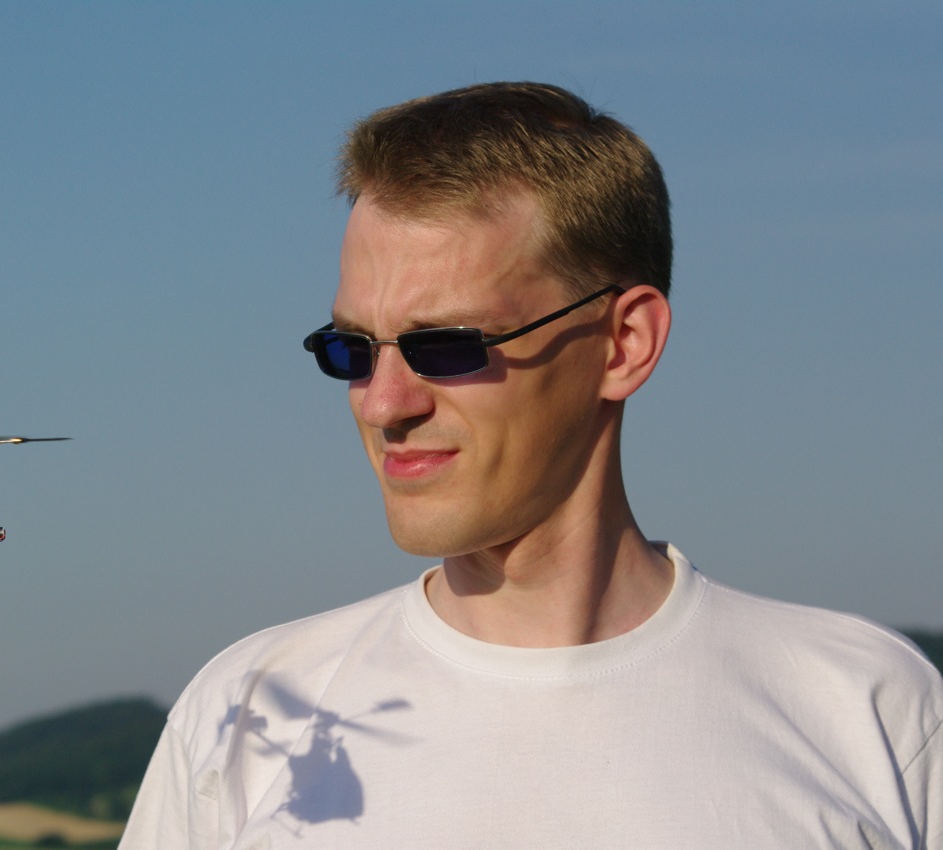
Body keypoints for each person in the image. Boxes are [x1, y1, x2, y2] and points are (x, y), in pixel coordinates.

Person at [118, 82, 941, 849]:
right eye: (352, 350)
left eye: (447, 345)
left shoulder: (871, 709)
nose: (382, 404)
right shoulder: (246, 715)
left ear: (624, 344)